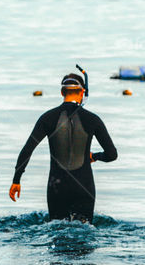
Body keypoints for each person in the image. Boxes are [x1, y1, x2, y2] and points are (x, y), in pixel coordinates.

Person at [9, 71, 117, 222]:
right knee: (83, 235)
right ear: (83, 92)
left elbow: (27, 150)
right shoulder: (93, 119)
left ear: (62, 92)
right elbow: (112, 155)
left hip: (57, 187)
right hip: (84, 187)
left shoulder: (47, 118)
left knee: (58, 232)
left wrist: (16, 180)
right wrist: (94, 156)